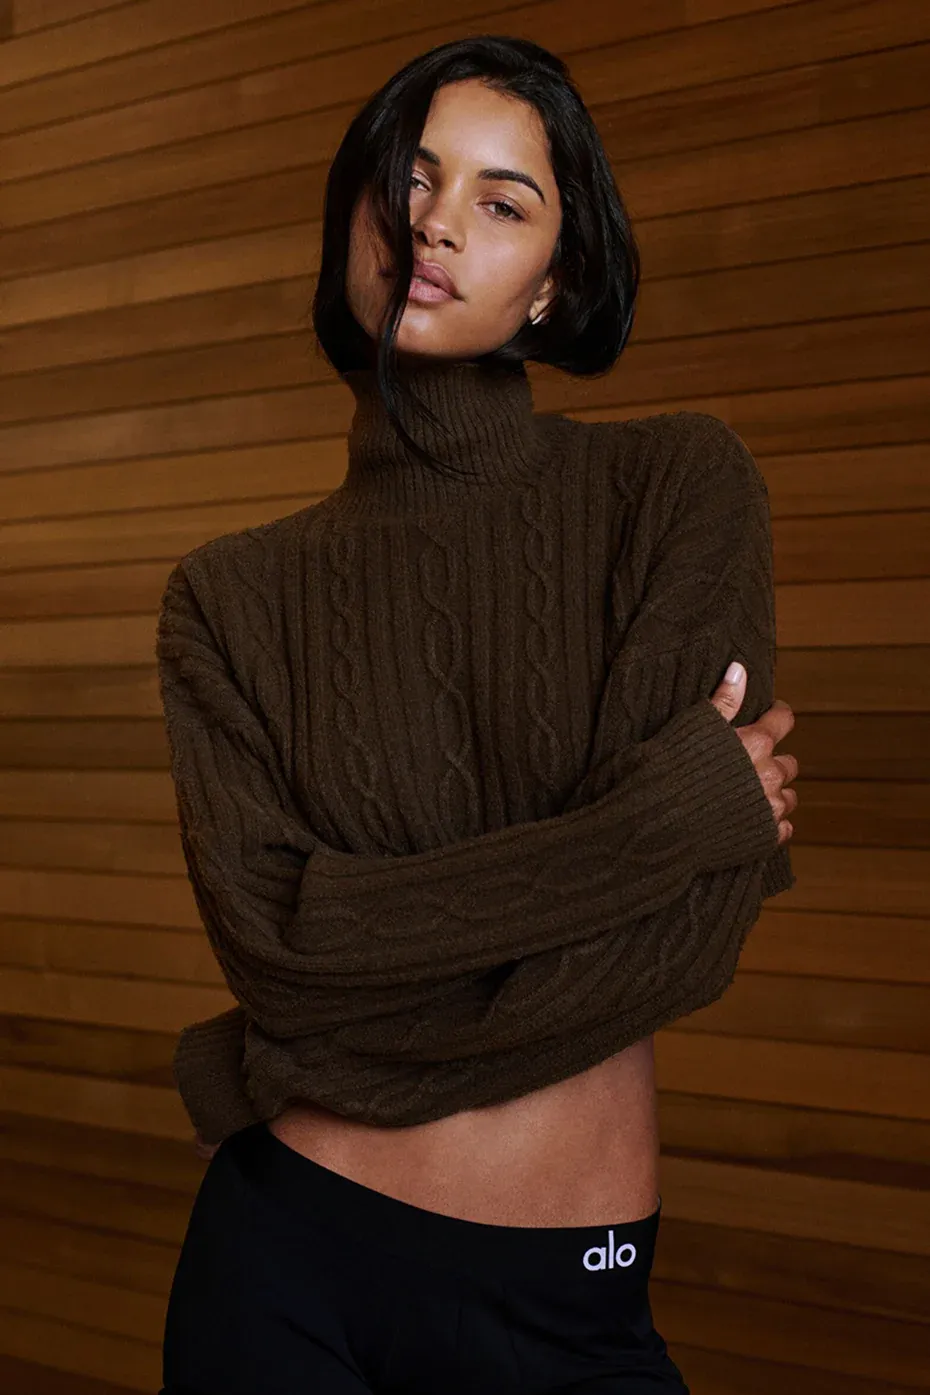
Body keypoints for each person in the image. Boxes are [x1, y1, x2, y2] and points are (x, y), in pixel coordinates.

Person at [157, 34, 798, 1395]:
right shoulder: (227, 596)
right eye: (411, 175)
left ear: (555, 281)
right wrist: (662, 821)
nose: (436, 223)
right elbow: (282, 945)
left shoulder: (674, 489)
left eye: (503, 202)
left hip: (571, 1310)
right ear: (354, 212)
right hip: (282, 1271)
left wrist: (274, 1052)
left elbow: (685, 941)